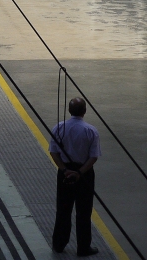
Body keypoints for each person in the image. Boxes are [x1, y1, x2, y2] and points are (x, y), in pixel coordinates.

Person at [50, 97, 100, 256]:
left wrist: (64, 170)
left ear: (69, 111)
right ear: (84, 111)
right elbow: (93, 157)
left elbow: (54, 152)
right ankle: (83, 247)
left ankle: (59, 244)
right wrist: (79, 173)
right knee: (84, 212)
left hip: (64, 172)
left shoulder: (59, 128)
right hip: (84, 173)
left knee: (63, 209)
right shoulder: (91, 131)